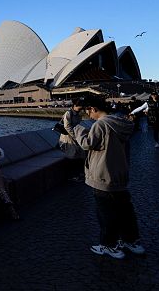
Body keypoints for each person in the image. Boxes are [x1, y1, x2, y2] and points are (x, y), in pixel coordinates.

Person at [73, 96, 144, 259]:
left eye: (88, 111)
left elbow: (87, 143)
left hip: (103, 175)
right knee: (126, 211)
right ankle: (131, 241)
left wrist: (77, 129)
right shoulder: (120, 122)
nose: (88, 115)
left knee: (106, 213)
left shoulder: (101, 124)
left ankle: (109, 245)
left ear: (93, 109)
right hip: (120, 175)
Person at [57, 98, 86, 180]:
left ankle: (77, 174)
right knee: (72, 155)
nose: (82, 108)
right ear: (75, 105)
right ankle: (71, 176)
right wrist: (75, 136)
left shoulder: (78, 114)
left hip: (75, 137)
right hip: (68, 138)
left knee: (79, 155)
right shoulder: (68, 113)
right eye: (80, 107)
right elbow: (67, 127)